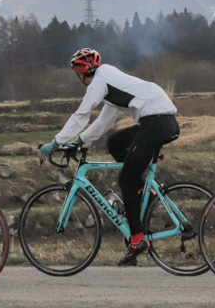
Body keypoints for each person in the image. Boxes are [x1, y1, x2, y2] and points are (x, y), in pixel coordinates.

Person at [37, 47, 180, 266]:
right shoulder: (109, 79)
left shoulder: (98, 82)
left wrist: (56, 143)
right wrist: (79, 141)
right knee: (114, 143)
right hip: (158, 121)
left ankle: (137, 239)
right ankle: (143, 191)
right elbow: (104, 122)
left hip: (156, 122)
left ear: (84, 69)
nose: (78, 76)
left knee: (126, 180)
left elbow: (82, 114)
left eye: (78, 71)